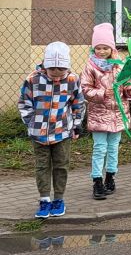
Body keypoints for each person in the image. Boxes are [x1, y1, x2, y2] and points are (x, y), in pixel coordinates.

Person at [18, 41, 85, 219]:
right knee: (42, 166)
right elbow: (24, 102)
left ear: (67, 66)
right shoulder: (33, 79)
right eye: (52, 69)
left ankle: (59, 199)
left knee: (61, 165)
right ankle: (44, 199)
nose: (56, 73)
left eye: (61, 69)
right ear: (45, 65)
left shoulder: (72, 80)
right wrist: (30, 122)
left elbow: (78, 103)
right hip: (38, 133)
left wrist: (77, 124)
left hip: (62, 132)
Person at [81, 23, 131, 200]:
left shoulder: (120, 65)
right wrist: (103, 93)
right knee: (99, 148)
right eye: (98, 48)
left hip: (118, 114)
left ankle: (110, 177)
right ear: (93, 48)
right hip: (99, 115)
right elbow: (85, 90)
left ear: (112, 48)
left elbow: (126, 86)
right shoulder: (90, 67)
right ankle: (97, 181)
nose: (102, 51)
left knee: (113, 148)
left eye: (105, 48)